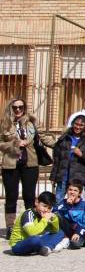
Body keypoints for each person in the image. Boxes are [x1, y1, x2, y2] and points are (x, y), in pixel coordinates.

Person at [1, 98, 52, 237]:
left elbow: (44, 138)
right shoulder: (4, 124)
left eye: (20, 107)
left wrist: (61, 144)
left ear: (24, 108)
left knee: (29, 196)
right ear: (10, 108)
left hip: (30, 164)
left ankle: (31, 224)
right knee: (11, 197)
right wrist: (14, 144)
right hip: (10, 165)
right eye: (14, 107)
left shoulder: (32, 123)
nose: (17, 110)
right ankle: (11, 227)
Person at [50, 115, 85, 202]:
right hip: (63, 176)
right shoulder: (64, 138)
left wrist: (81, 154)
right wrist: (53, 177)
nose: (78, 127)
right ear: (72, 124)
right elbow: (57, 159)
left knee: (76, 202)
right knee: (58, 201)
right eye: (76, 124)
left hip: (78, 178)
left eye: (81, 125)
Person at [9, 191, 67, 256]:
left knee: (60, 232)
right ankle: (51, 246)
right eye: (44, 206)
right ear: (36, 202)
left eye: (49, 208)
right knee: (35, 239)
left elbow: (54, 230)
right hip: (19, 245)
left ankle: (46, 248)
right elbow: (32, 233)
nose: (46, 210)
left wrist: (54, 219)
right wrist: (44, 220)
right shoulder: (28, 214)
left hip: (36, 242)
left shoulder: (43, 215)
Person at [54, 179, 85, 249]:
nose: (72, 192)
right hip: (67, 229)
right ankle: (64, 238)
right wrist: (66, 205)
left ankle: (68, 241)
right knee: (57, 214)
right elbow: (55, 214)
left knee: (75, 244)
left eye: (75, 190)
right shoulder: (63, 203)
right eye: (70, 190)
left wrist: (78, 232)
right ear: (67, 191)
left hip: (80, 231)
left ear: (79, 193)